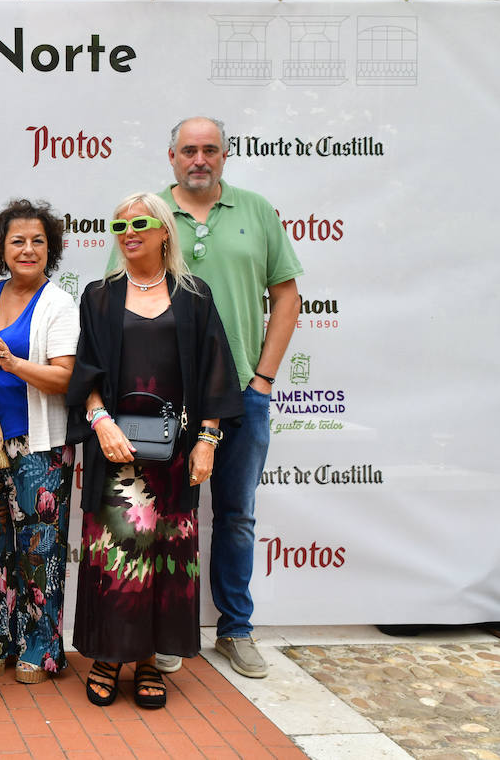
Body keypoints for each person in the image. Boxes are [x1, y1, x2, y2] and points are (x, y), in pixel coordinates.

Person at [66, 192, 243, 709]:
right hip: (116, 450)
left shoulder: (195, 296)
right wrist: (100, 424)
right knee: (119, 556)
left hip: (177, 455)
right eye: (119, 224)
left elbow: (215, 373)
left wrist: (208, 441)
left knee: (167, 556)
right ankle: (107, 657)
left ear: (165, 231)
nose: (130, 232)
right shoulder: (98, 296)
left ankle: (148, 662)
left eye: (141, 223)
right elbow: (86, 373)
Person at [158, 116, 302, 679]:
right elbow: (117, 297)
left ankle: (236, 630)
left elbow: (286, 298)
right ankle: (169, 628)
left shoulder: (258, 211)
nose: (199, 159)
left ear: (225, 155)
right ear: (171, 156)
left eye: (210, 150)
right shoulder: (149, 211)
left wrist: (262, 378)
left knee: (237, 515)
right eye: (189, 150)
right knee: (171, 518)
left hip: (243, 394)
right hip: (168, 400)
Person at [0, 199, 79, 684]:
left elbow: (65, 379)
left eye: (38, 240)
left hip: (38, 446)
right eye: (18, 241)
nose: (28, 249)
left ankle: (41, 646)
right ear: (1, 248)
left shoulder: (58, 303)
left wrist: (13, 363)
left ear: (50, 247)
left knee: (39, 550)